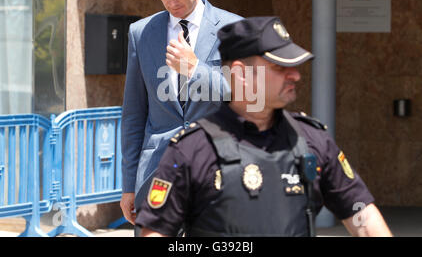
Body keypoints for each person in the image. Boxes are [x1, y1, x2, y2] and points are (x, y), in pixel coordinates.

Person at [135, 16, 393, 237]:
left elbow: (361, 215)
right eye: (279, 67)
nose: (295, 75)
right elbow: (156, 230)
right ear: (239, 73)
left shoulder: (312, 140)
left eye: (294, 66)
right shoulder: (191, 151)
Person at [120, 0, 242, 232]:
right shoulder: (141, 34)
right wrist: (128, 185)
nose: (170, 2)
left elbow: (248, 96)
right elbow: (134, 113)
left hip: (217, 175)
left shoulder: (234, 29)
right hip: (156, 176)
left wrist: (195, 69)